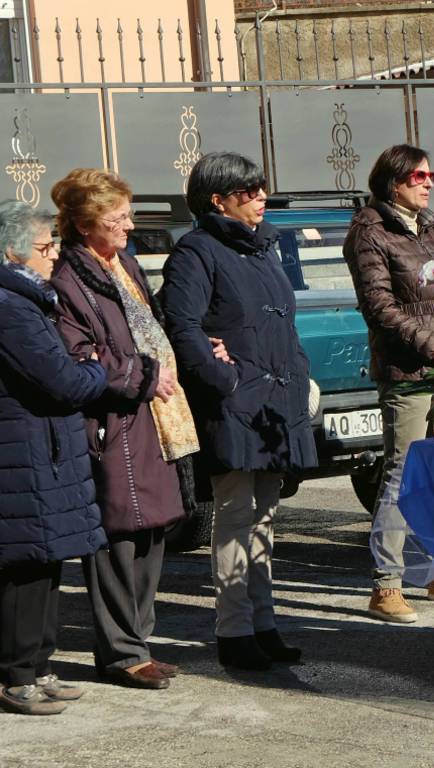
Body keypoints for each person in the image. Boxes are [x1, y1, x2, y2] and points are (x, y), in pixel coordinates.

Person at [162, 152, 316, 669]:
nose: (260, 197)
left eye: (261, 188)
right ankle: (234, 631)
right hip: (234, 404)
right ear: (218, 199)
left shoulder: (262, 249)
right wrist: (225, 378)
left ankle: (264, 622)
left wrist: (300, 379)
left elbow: (281, 325)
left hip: (275, 406)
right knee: (234, 514)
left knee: (267, 516)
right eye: (248, 190)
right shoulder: (196, 252)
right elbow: (182, 327)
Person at [50, 169, 197, 689]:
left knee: (153, 528)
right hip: (112, 422)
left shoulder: (121, 262)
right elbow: (81, 359)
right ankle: (121, 654)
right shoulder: (69, 279)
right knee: (118, 538)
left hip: (152, 416)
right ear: (88, 223)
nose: (130, 225)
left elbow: (149, 330)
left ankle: (139, 642)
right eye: (119, 217)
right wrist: (145, 374)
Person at [344, 144, 434, 623]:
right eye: (418, 176)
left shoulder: (432, 227)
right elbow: (379, 306)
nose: (428, 182)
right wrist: (431, 346)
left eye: (431, 174)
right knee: (401, 473)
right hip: (409, 371)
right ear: (393, 181)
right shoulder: (370, 230)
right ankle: (386, 584)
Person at [0, 201, 109, 715]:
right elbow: (63, 381)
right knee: (24, 568)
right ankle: (15, 676)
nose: (54, 257)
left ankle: (40, 666)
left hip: (45, 454)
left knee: (46, 563)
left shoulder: (30, 300)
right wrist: (93, 370)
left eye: (55, 246)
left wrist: (83, 368)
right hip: (22, 456)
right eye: (45, 248)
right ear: (11, 253)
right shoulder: (10, 306)